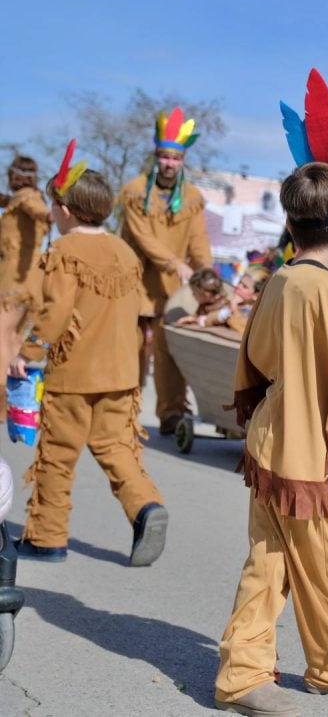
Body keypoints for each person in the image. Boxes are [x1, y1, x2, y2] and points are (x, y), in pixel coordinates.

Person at [216, 72, 328, 715]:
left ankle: (243, 673)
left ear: (291, 225)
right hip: (314, 459)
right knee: (320, 571)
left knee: (266, 563)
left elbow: (256, 357)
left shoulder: (281, 282)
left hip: (269, 445)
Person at [10, 142, 167, 566]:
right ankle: (146, 507)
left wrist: (29, 350)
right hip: (121, 374)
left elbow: (56, 312)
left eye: (55, 205)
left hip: (74, 374)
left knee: (57, 455)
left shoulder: (63, 251)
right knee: (117, 449)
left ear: (66, 209)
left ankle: (46, 538)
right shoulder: (125, 252)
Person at [119, 107, 212, 437]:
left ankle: (171, 413)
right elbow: (143, 238)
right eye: (164, 156)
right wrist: (176, 263)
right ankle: (123, 414)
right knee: (129, 353)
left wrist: (208, 277)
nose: (169, 163)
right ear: (156, 156)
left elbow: (199, 243)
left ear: (183, 159)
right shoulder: (133, 190)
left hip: (171, 290)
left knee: (169, 352)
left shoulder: (192, 198)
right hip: (133, 284)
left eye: (175, 158)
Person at [0, 155, 50, 378]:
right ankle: (12, 396)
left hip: (15, 277)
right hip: (33, 278)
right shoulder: (20, 199)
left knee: (2, 334)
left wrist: (51, 214)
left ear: (14, 175)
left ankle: (2, 393)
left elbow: (36, 209)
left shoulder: (27, 197)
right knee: (15, 337)